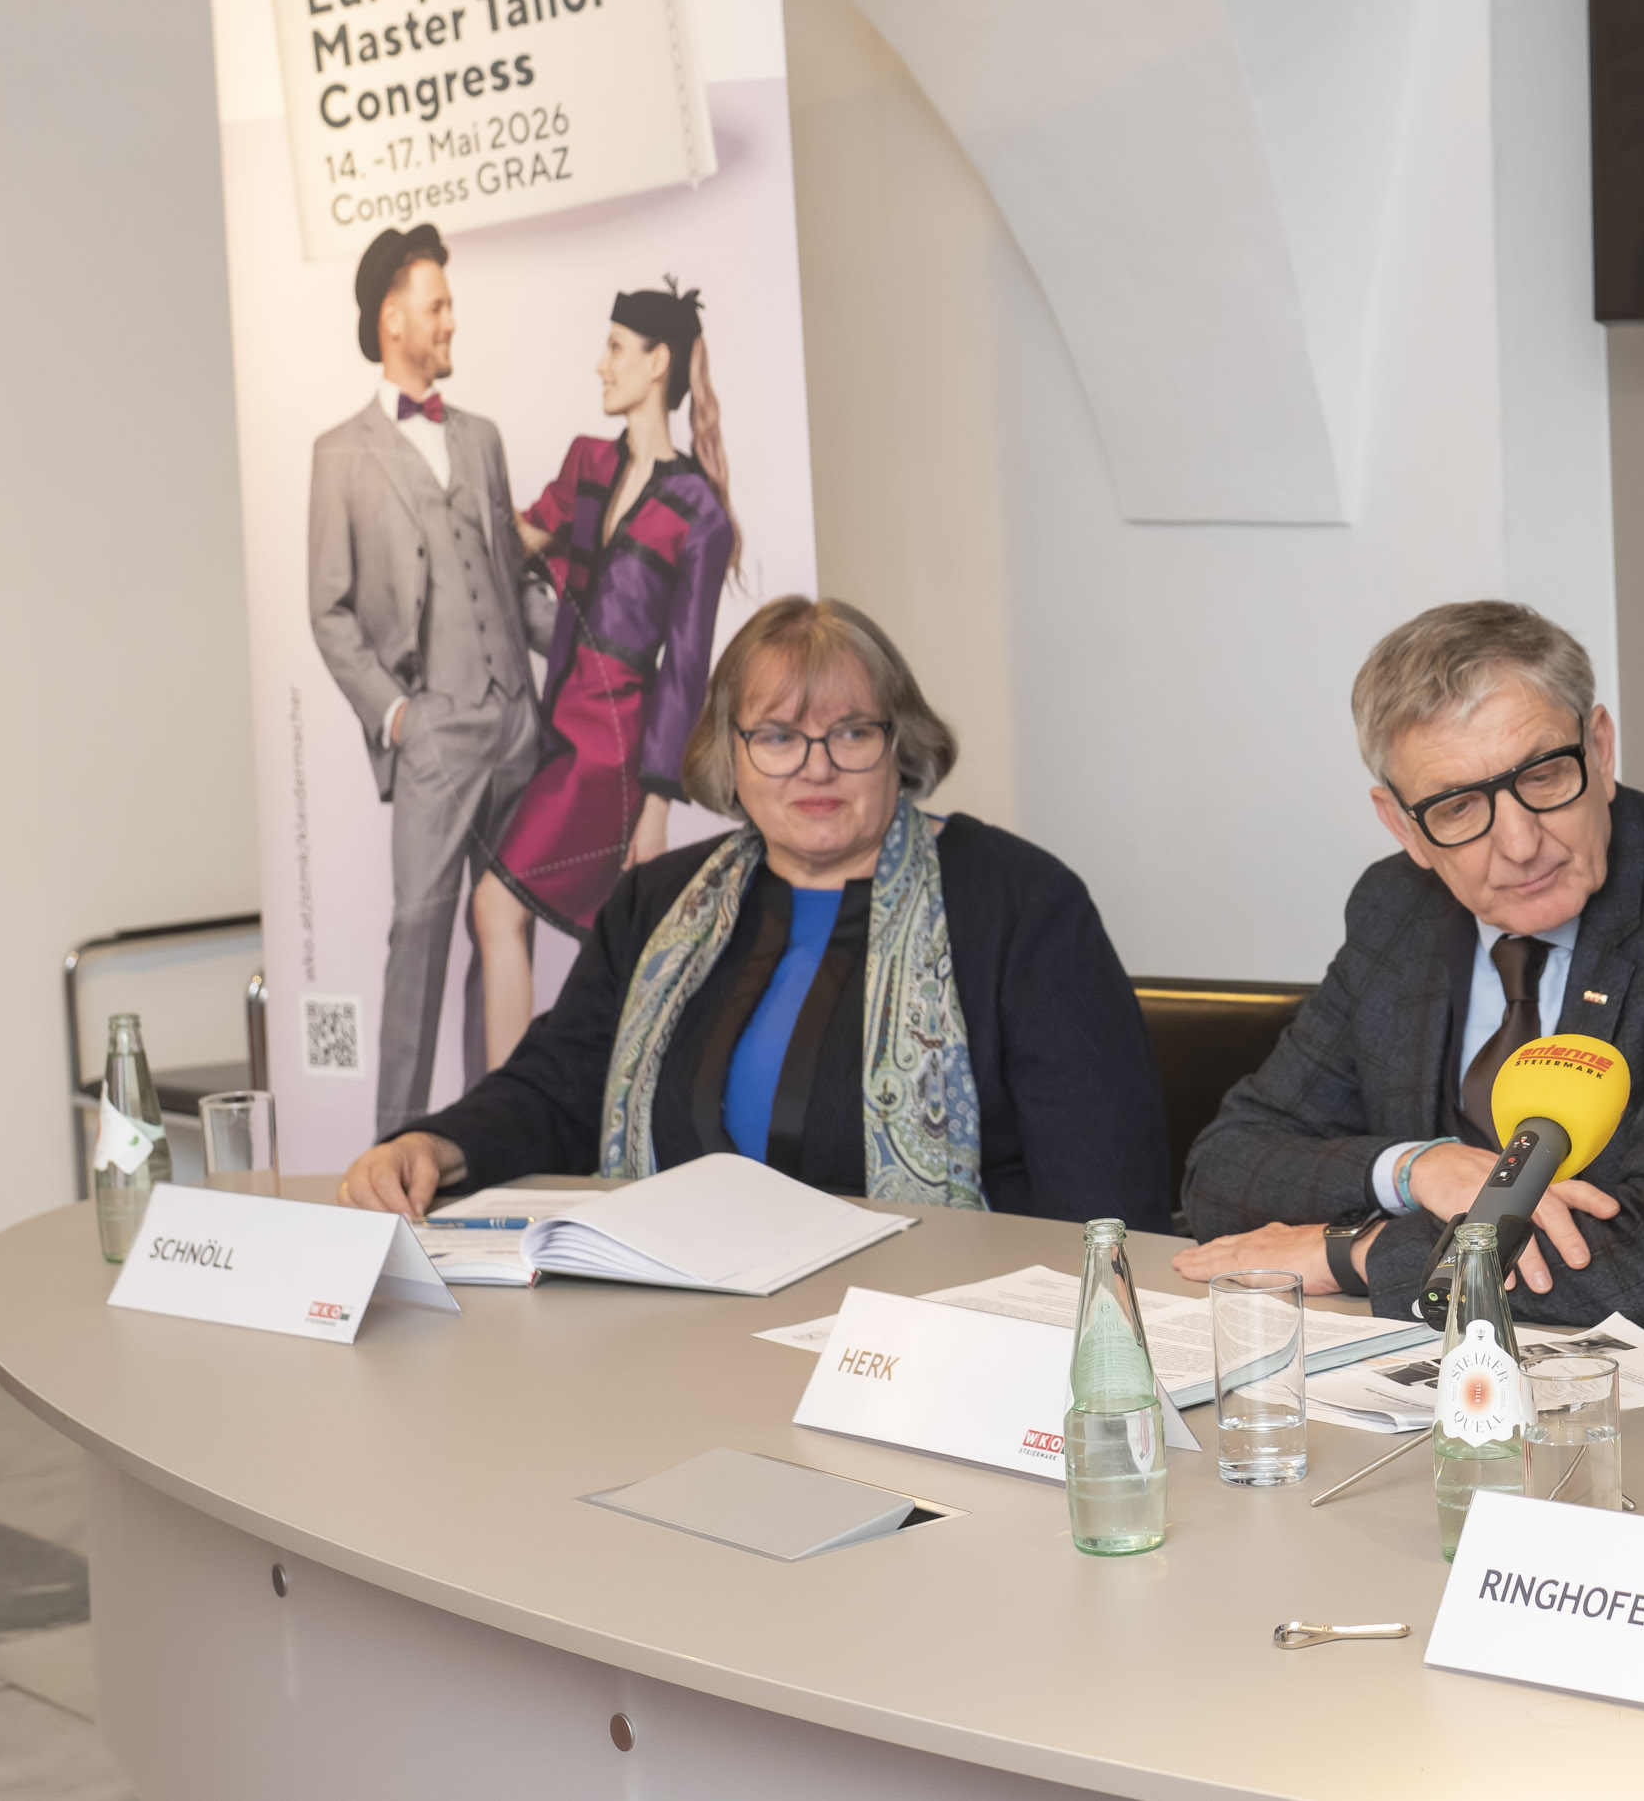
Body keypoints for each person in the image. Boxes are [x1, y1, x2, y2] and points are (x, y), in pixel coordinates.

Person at [341, 596, 1172, 1228]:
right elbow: (559, 1087)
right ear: (728, 756)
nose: (816, 768)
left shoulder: (1023, 907)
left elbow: (1106, 1201)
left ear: (899, 744)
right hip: (673, 1332)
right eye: (776, 736)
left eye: (849, 733)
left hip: (926, 1349)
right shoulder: (656, 903)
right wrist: (433, 1145)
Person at [1173, 600, 1644, 1347]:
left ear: (1599, 750)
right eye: (1456, 807)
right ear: (1402, 826)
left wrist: (1352, 1252)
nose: (1517, 842)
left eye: (1541, 776)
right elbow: (1225, 1170)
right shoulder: (1394, 909)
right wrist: (1419, 1170)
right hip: (1462, 1365)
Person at [466, 279, 741, 1067]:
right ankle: (557, 1109)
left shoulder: (700, 509)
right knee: (605, 951)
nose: (600, 364)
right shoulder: (587, 462)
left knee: (496, 905)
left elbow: (686, 667)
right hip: (558, 727)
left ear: (659, 362)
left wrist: (656, 806)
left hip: (615, 751)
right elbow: (516, 541)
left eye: (616, 347)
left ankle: (504, 1109)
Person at [308, 224, 542, 1138]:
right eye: (437, 304)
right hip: (436, 733)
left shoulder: (480, 439)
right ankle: (388, 1154)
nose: (451, 319)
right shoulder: (339, 453)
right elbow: (328, 610)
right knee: (420, 936)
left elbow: (513, 586)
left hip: (518, 727)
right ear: (391, 316)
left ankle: (507, 1136)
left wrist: (597, 665)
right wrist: (396, 714)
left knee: (509, 936)